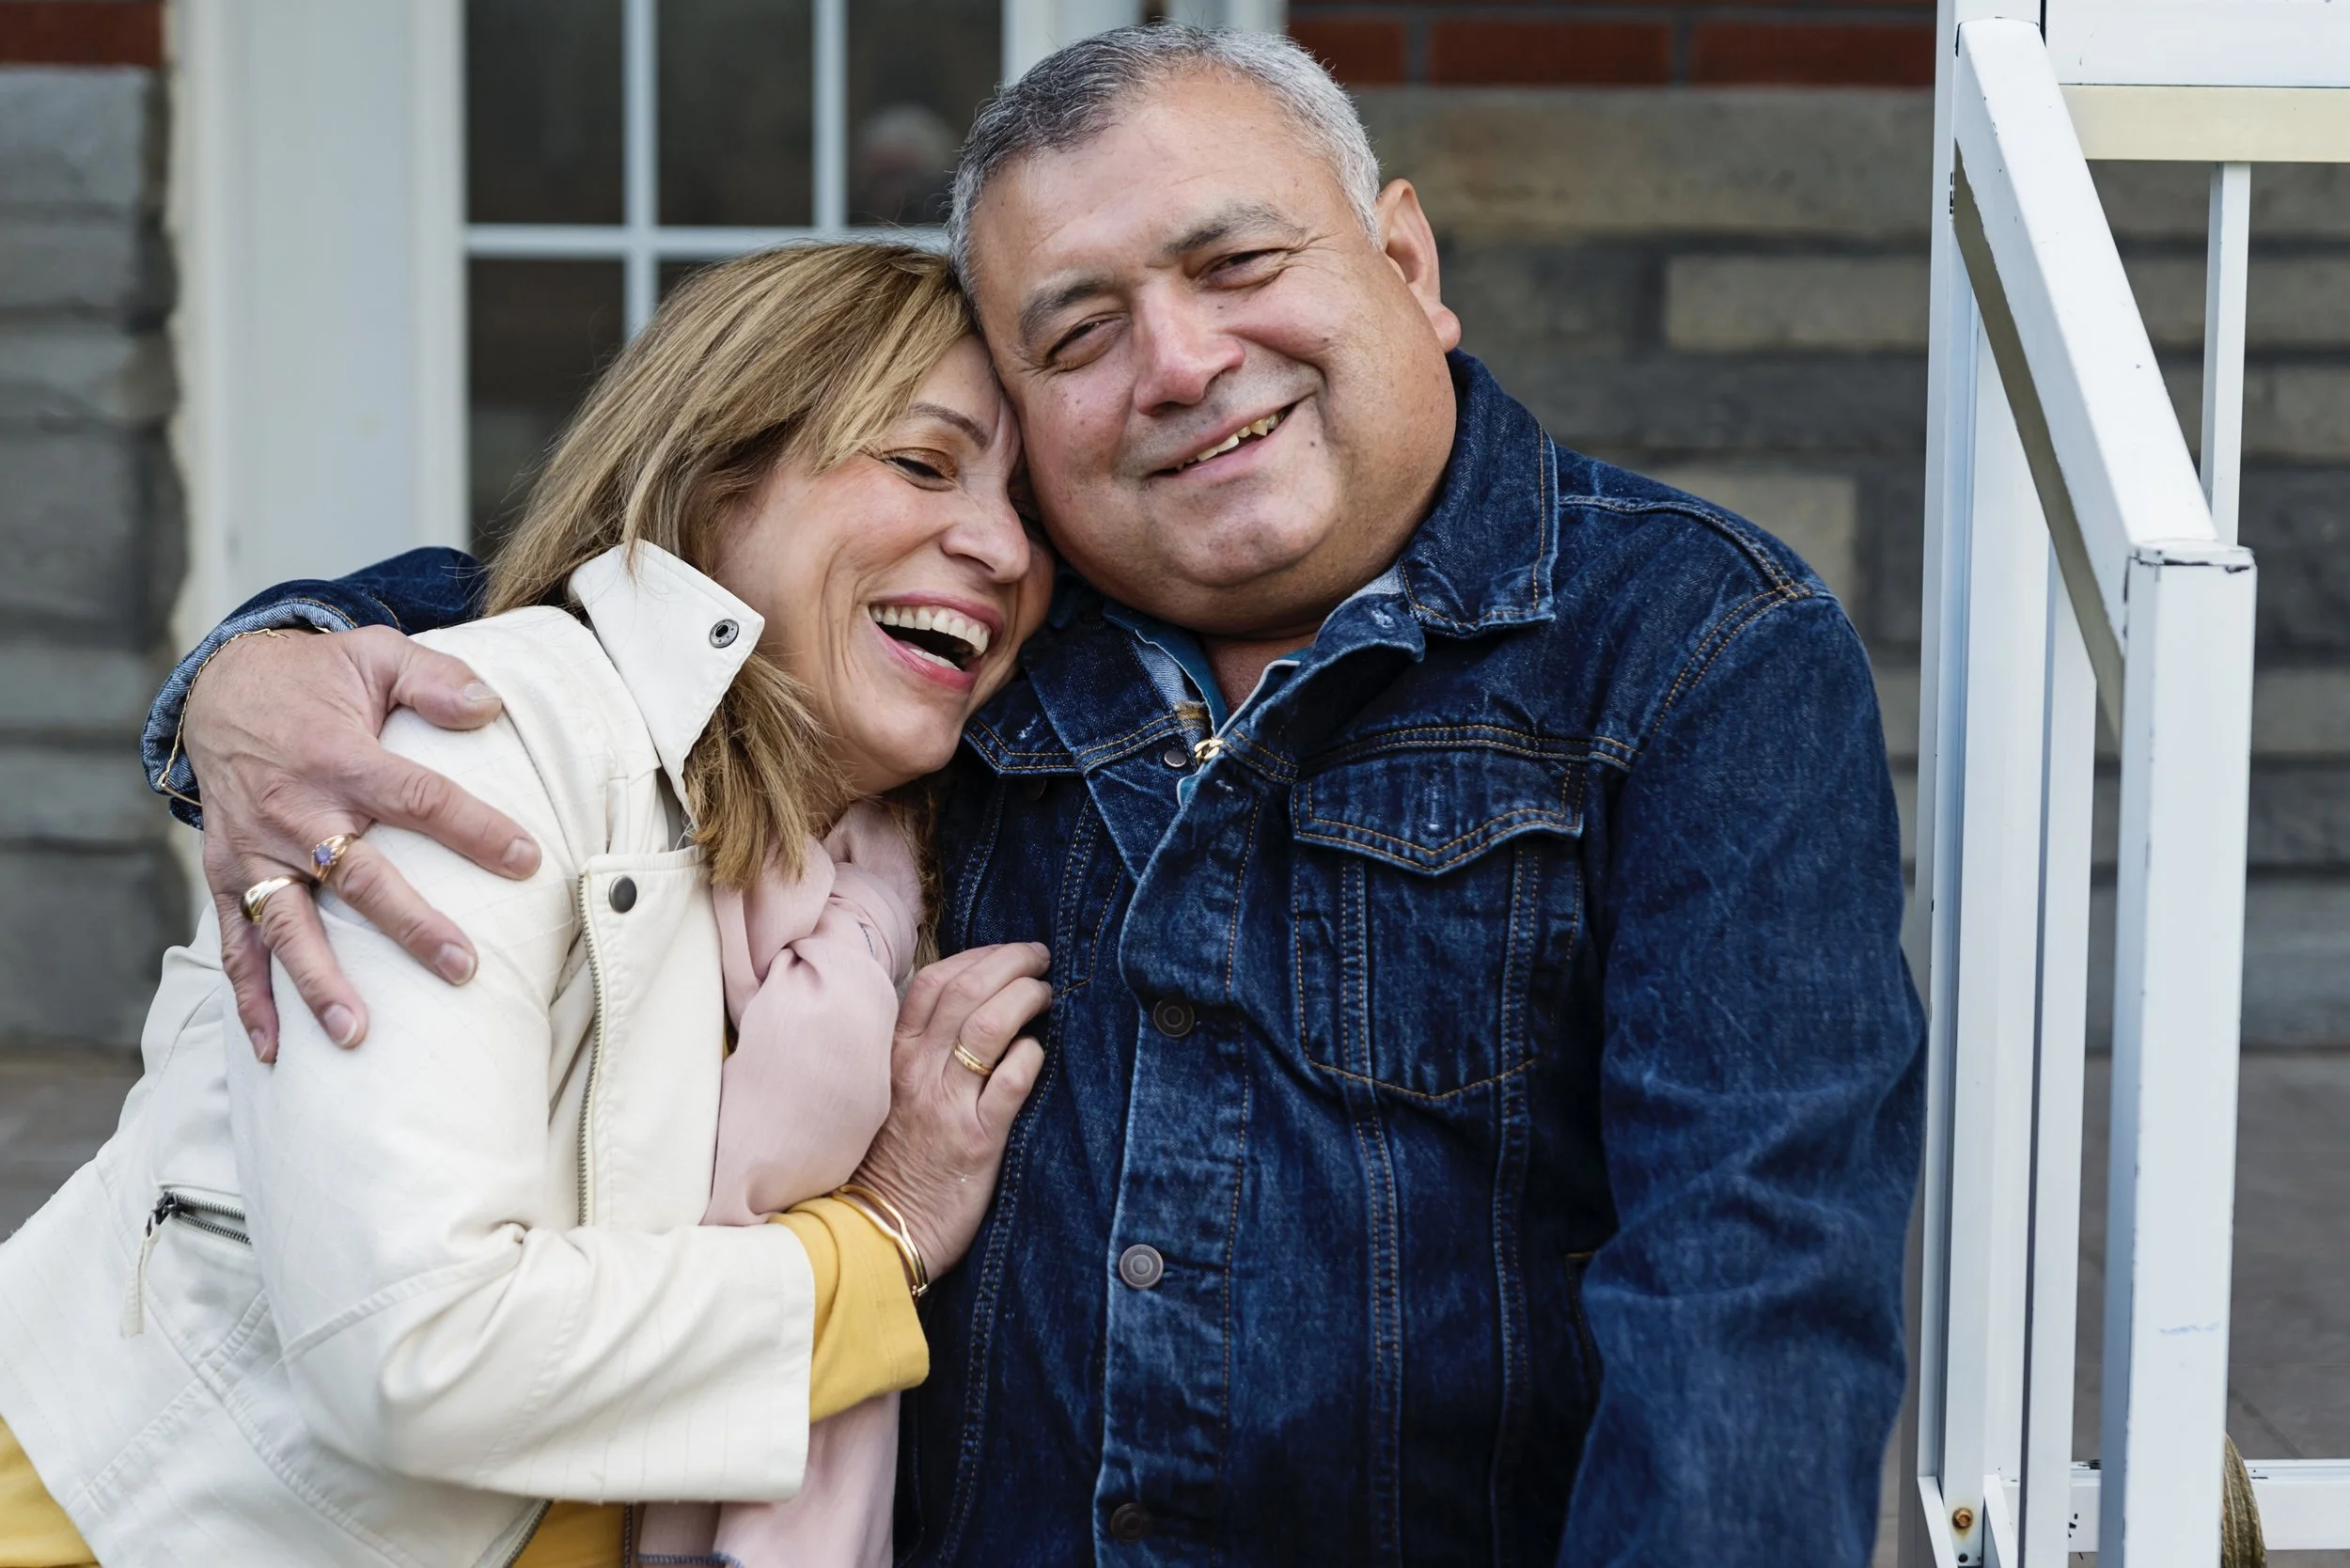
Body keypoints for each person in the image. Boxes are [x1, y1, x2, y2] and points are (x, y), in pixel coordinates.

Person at [123, 26, 1927, 1568]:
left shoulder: (1688, 648)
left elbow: (1748, 1290)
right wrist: (263, 665)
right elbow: (633, 587)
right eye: (1077, 337)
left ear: (1405, 258)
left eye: (1236, 264)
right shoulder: (983, 637)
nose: (1181, 365)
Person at [0, 243, 1058, 1567]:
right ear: (711, 478)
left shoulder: (884, 870)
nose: (1001, 547)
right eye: (921, 463)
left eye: (1032, 507)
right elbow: (417, 1348)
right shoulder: (478, 750)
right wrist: (876, 1239)